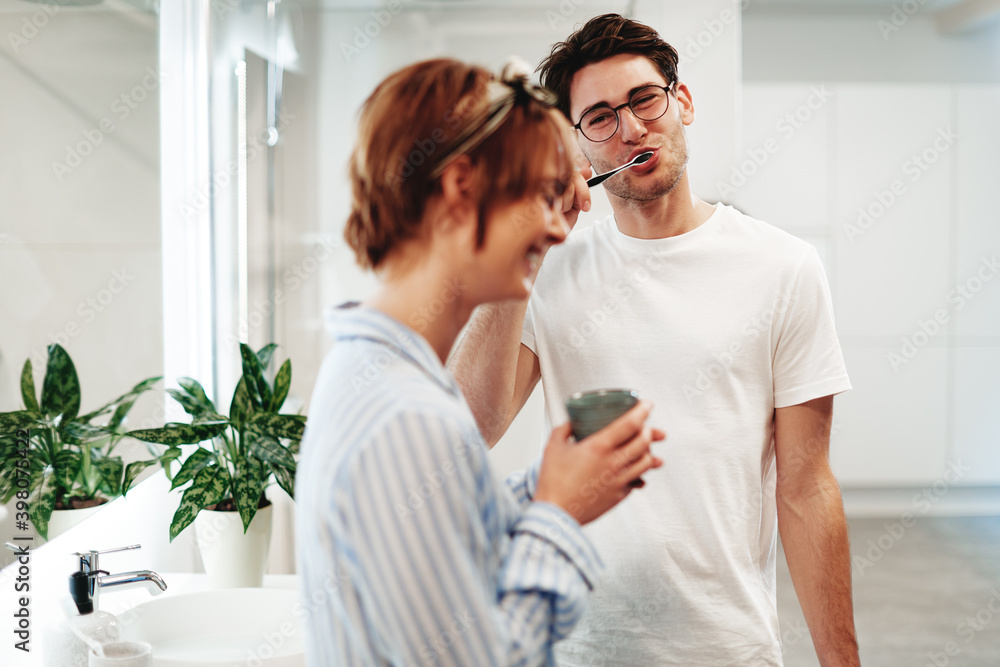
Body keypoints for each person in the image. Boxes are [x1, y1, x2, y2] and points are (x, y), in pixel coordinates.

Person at [448, 14, 861, 667]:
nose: (632, 128)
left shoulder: (784, 267)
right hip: (578, 646)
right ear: (579, 148)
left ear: (682, 101)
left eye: (644, 99)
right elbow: (468, 423)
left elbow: (806, 488)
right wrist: (518, 246)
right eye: (601, 117)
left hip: (730, 649)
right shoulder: (548, 268)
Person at [294, 58, 665, 666]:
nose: (559, 228)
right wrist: (558, 513)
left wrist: (545, 485)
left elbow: (437, 533)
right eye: (544, 196)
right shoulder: (408, 418)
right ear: (462, 186)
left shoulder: (371, 371)